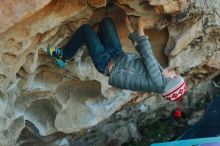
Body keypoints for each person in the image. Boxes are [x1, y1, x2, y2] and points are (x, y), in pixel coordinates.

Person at [47, 16, 186, 116]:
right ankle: (94, 41)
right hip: (116, 54)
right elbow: (142, 53)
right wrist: (129, 27)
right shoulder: (159, 75)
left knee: (85, 30)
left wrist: (140, 27)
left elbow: (147, 51)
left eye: (175, 76)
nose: (174, 72)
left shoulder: (157, 81)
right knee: (106, 22)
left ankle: (64, 56)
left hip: (106, 63)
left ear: (170, 83)